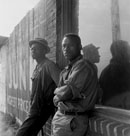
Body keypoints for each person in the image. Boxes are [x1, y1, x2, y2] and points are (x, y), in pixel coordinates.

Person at [51, 33, 98, 136]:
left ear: (80, 47)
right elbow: (59, 96)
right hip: (62, 118)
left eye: (70, 45)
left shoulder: (83, 66)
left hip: (72, 120)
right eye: (64, 46)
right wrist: (60, 93)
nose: (66, 49)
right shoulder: (66, 70)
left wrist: (57, 92)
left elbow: (66, 93)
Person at [15, 38, 60, 136]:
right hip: (35, 108)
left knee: (21, 134)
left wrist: (54, 102)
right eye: (31, 48)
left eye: (36, 48)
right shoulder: (37, 67)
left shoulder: (49, 65)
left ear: (44, 50)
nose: (33, 50)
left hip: (41, 109)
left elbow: (62, 87)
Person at [99, 40, 130, 109]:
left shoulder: (105, 71)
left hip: (111, 113)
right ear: (122, 52)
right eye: (128, 50)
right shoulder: (126, 69)